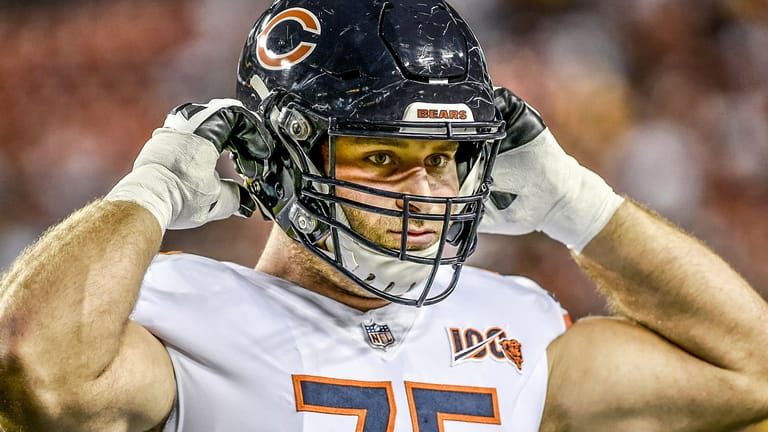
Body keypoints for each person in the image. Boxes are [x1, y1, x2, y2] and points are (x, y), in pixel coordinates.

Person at [1, 0, 767, 431]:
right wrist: (148, 193)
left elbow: (753, 374)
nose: (425, 190)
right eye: (381, 156)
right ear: (283, 158)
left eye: (443, 158)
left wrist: (583, 206)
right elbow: (38, 377)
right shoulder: (176, 314)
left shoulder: (518, 327)